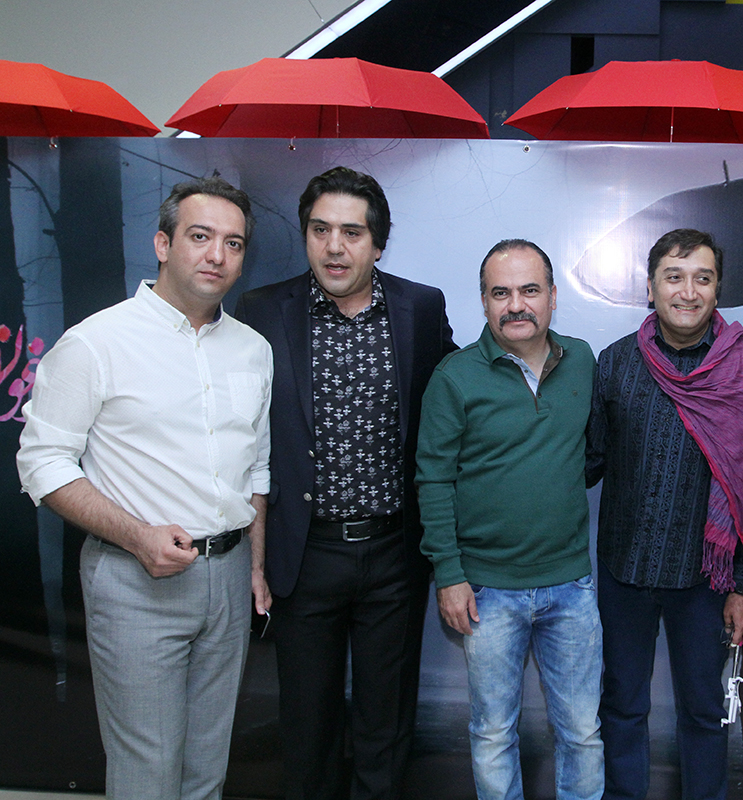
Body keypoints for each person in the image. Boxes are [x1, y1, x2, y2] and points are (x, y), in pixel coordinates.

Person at [17, 177, 270, 800]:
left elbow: (256, 469)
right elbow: (43, 462)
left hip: (229, 580)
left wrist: (255, 567)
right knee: (147, 774)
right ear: (163, 244)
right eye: (200, 236)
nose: (217, 255)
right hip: (134, 580)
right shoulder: (97, 342)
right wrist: (137, 536)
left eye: (233, 243)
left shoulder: (253, 349)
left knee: (206, 772)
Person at [235, 166, 455, 800]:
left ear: (377, 244)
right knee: (308, 726)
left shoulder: (420, 308)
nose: (334, 247)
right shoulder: (262, 310)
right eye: (320, 229)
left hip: (394, 554)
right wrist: (255, 558)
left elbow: (454, 406)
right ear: (305, 235)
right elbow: (243, 438)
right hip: (305, 553)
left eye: (352, 232)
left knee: (386, 724)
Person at [586, 228, 743, 800]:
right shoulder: (615, 362)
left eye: (702, 278)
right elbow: (588, 461)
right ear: (651, 288)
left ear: (718, 289)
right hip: (624, 570)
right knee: (622, 704)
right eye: (674, 277)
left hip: (705, 580)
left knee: (702, 711)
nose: (688, 292)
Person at [417, 239, 603, 800]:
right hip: (486, 591)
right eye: (501, 293)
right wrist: (449, 575)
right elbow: (433, 480)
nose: (516, 305)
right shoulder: (454, 377)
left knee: (582, 731)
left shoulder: (582, 361)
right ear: (483, 301)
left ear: (552, 297)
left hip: (571, 586)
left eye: (529, 290)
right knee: (494, 732)